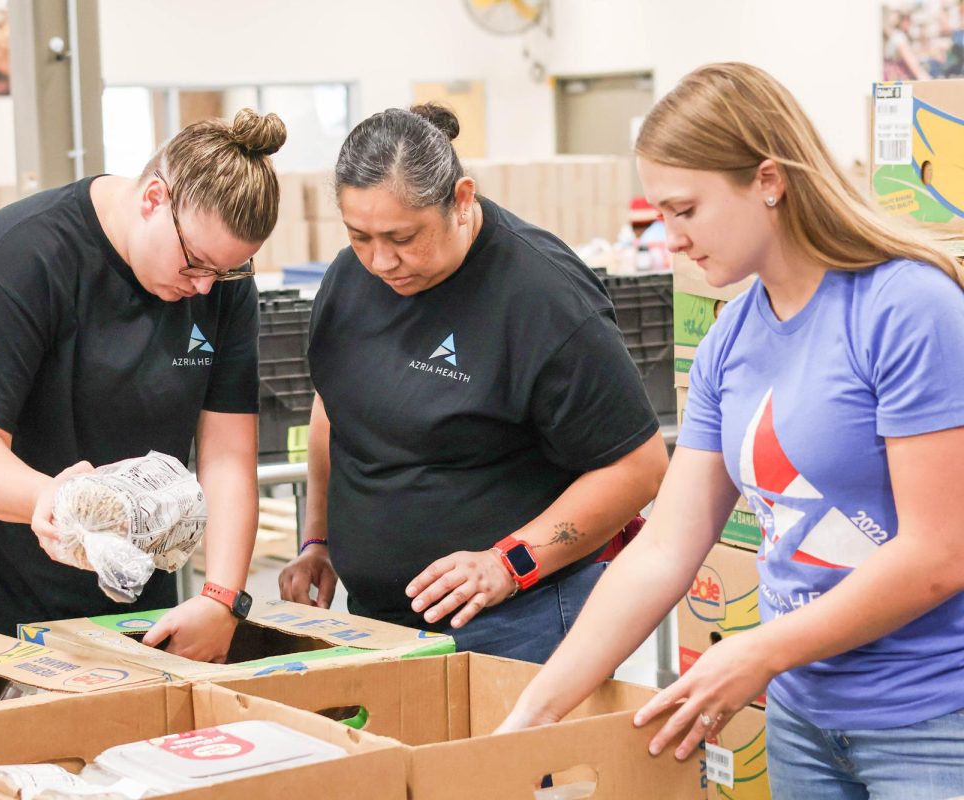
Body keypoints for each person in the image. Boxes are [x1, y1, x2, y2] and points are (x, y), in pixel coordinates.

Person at [497, 63, 964, 799]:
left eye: (686, 210)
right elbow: (664, 547)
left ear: (769, 180)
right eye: (660, 214)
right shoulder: (729, 342)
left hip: (931, 723)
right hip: (803, 721)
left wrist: (759, 650)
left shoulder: (907, 309)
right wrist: (536, 709)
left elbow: (939, 552)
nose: (671, 239)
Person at [0, 109, 287, 662]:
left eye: (225, 272)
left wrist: (222, 598)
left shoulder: (219, 283)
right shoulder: (18, 260)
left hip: (123, 582)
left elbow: (226, 457)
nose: (203, 288)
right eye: (194, 263)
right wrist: (53, 498)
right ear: (154, 198)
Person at [277, 103, 668, 664]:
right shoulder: (348, 279)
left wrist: (507, 564)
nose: (381, 261)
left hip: (515, 624)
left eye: (403, 237)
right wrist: (319, 541)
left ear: (462, 200)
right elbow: (334, 408)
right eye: (359, 235)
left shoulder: (544, 299)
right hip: (374, 623)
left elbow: (639, 467)